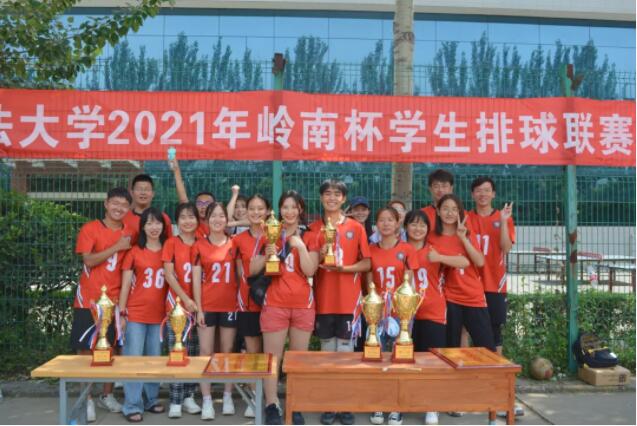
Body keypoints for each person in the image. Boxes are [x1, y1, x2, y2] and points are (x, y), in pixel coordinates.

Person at [251, 191, 319, 425]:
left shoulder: (310, 236)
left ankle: (295, 403)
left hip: (303, 304)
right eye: (285, 207)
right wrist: (267, 254)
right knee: (273, 359)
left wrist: (300, 246)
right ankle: (272, 404)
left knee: (298, 359)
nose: (289, 212)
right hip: (275, 303)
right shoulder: (269, 233)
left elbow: (310, 270)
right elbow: (252, 268)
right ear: (279, 210)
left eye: (293, 207)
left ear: (301, 209)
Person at [308, 179, 371, 426]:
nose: (332, 198)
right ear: (321, 198)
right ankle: (328, 404)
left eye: (337, 194)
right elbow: (308, 267)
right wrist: (321, 255)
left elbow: (367, 263)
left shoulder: (356, 227)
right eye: (327, 193)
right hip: (324, 301)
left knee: (345, 355)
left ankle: (345, 403)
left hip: (348, 302)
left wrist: (345, 269)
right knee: (327, 354)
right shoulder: (314, 228)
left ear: (344, 199)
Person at [69, 187, 132, 422]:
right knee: (86, 350)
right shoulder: (90, 228)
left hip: (114, 302)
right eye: (115, 203)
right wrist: (117, 247)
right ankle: (86, 398)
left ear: (128, 208)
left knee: (111, 349)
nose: (119, 208)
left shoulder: (130, 232)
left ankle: (107, 395)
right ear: (106, 204)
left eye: (124, 205)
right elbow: (88, 260)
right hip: (89, 299)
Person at [405, 209, 469, 425]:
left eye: (422, 225)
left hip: (433, 311)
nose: (417, 228)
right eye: (413, 224)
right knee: (406, 359)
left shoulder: (433, 249)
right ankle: (406, 402)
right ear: (405, 227)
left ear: (428, 229)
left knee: (431, 360)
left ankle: (431, 405)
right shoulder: (400, 249)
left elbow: (464, 262)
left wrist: (440, 258)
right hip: (404, 314)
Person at [467, 177, 524, 418]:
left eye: (487, 190)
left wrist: (502, 221)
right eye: (478, 190)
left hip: (494, 284)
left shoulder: (504, 218)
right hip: (468, 283)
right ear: (472, 195)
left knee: (494, 333)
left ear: (493, 194)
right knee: (464, 331)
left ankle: (499, 389)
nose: (482, 194)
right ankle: (468, 388)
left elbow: (506, 248)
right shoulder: (466, 217)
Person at [367, 207, 417, 426]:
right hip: (377, 312)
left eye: (390, 220)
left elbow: (409, 284)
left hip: (400, 313)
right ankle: (379, 402)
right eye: (381, 220)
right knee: (377, 356)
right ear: (376, 224)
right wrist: (374, 309)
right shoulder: (371, 249)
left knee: (400, 357)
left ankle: (397, 406)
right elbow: (369, 283)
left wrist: (404, 312)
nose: (386, 223)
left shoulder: (406, 249)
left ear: (398, 223)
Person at [118, 207, 169, 422]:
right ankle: (131, 404)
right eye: (149, 223)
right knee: (133, 359)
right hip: (136, 314)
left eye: (157, 223)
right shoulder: (134, 252)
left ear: (163, 226)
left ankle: (151, 399)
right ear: (143, 227)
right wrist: (122, 313)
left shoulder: (168, 250)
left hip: (160, 315)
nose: (154, 227)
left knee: (154, 359)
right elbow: (125, 284)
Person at [428, 195, 495, 351]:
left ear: (460, 212)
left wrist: (463, 239)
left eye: (454, 209)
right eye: (445, 209)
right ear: (438, 211)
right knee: (450, 349)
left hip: (473, 296)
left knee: (487, 348)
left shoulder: (467, 234)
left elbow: (479, 262)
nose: (450, 213)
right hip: (449, 298)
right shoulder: (431, 237)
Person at [191, 202, 239, 420]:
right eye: (213, 216)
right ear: (207, 220)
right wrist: (199, 309)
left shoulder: (235, 243)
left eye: (221, 216)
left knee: (227, 350)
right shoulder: (199, 245)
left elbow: (240, 275)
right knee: (205, 351)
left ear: (227, 220)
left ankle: (227, 396)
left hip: (230, 304)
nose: (217, 220)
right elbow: (196, 281)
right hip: (208, 304)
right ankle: (207, 399)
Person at [162, 202, 202, 419]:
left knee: (194, 352)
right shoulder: (171, 243)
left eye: (191, 217)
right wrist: (185, 299)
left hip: (199, 306)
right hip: (177, 306)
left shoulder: (202, 242)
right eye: (183, 217)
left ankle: (189, 396)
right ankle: (175, 400)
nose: (188, 221)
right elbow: (169, 275)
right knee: (177, 353)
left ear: (198, 220)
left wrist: (197, 303)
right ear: (177, 221)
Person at [233, 193, 271, 419]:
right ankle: (254, 395)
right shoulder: (238, 240)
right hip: (248, 302)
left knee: (270, 352)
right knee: (252, 351)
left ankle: (270, 397)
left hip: (273, 302)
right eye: (252, 209)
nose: (256, 212)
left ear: (268, 211)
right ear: (246, 212)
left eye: (260, 208)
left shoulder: (275, 235)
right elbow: (241, 273)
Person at [169, 156, 216, 239]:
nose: (203, 207)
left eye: (207, 203)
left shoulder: (219, 224)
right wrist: (176, 171)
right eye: (200, 203)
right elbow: (183, 199)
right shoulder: (193, 224)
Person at [123, 174, 173, 243]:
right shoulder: (124, 218)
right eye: (139, 189)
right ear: (132, 193)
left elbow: (170, 243)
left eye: (147, 189)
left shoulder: (163, 218)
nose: (143, 193)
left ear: (153, 193)